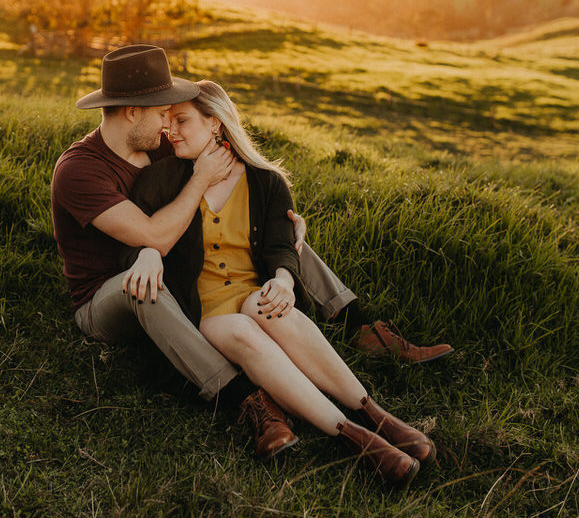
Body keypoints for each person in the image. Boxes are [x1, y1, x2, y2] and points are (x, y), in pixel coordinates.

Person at [50, 45, 447, 460]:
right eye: (161, 111)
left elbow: (227, 180)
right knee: (146, 284)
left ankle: (358, 324)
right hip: (107, 296)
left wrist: (280, 229)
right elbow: (156, 233)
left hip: (163, 261)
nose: (169, 123)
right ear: (132, 111)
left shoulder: (161, 145)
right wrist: (162, 234)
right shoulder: (80, 170)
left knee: (277, 232)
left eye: (174, 114)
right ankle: (244, 399)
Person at [122, 81, 436, 485]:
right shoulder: (161, 180)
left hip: (252, 293)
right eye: (169, 122)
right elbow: (138, 238)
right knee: (240, 329)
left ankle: (378, 416)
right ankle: (355, 437)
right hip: (206, 309)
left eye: (181, 120)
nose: (171, 131)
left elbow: (279, 245)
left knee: (269, 307)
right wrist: (149, 250)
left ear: (215, 123)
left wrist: (285, 281)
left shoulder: (265, 181)